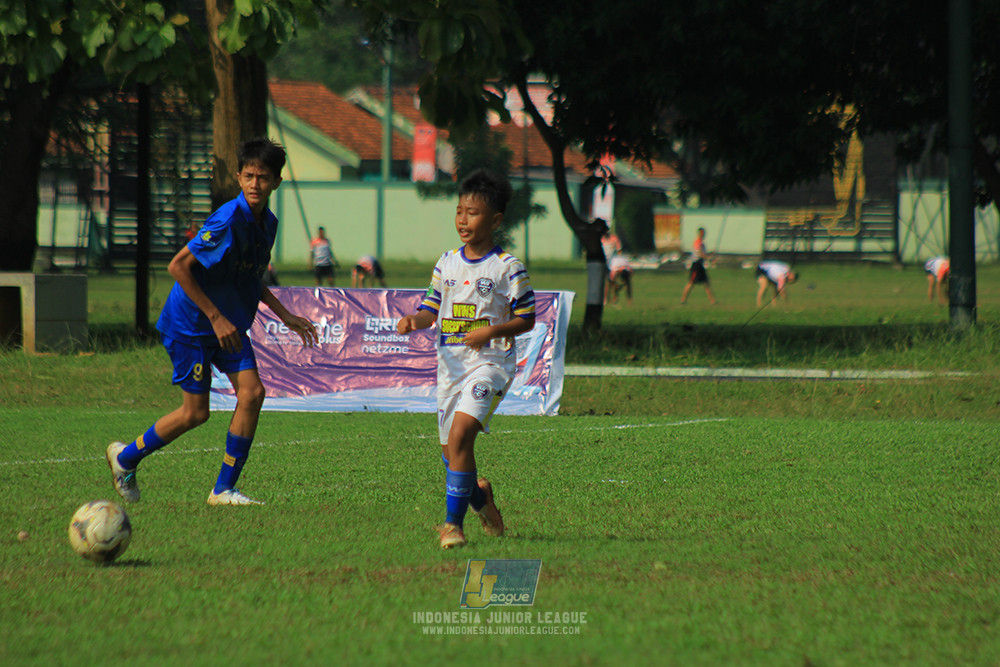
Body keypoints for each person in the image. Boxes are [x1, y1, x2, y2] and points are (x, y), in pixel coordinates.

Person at [105, 138, 317, 506]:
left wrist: (286, 315)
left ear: (276, 182)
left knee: (252, 394)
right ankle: (125, 459)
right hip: (192, 325)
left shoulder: (268, 223)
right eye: (248, 176)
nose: (255, 184)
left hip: (227, 326)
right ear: (238, 177)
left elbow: (249, 276)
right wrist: (215, 317)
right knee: (195, 413)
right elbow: (178, 267)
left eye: (263, 177)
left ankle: (223, 489)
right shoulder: (227, 219)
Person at [396, 169, 535, 549]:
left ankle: (452, 526)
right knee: (452, 455)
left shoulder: (507, 267)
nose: (463, 219)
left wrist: (490, 331)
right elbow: (430, 308)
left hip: (490, 365)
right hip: (450, 370)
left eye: (472, 213)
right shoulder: (446, 263)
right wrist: (414, 320)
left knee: (460, 438)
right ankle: (480, 497)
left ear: (495, 220)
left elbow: (528, 318)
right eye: (459, 211)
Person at [680, 227, 717, 305]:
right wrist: (708, 258)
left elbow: (704, 254)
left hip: (701, 265)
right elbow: (700, 254)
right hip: (696, 265)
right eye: (702, 233)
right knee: (691, 283)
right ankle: (683, 300)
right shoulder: (697, 243)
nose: (703, 235)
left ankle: (712, 301)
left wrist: (711, 254)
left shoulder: (702, 244)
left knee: (706, 283)